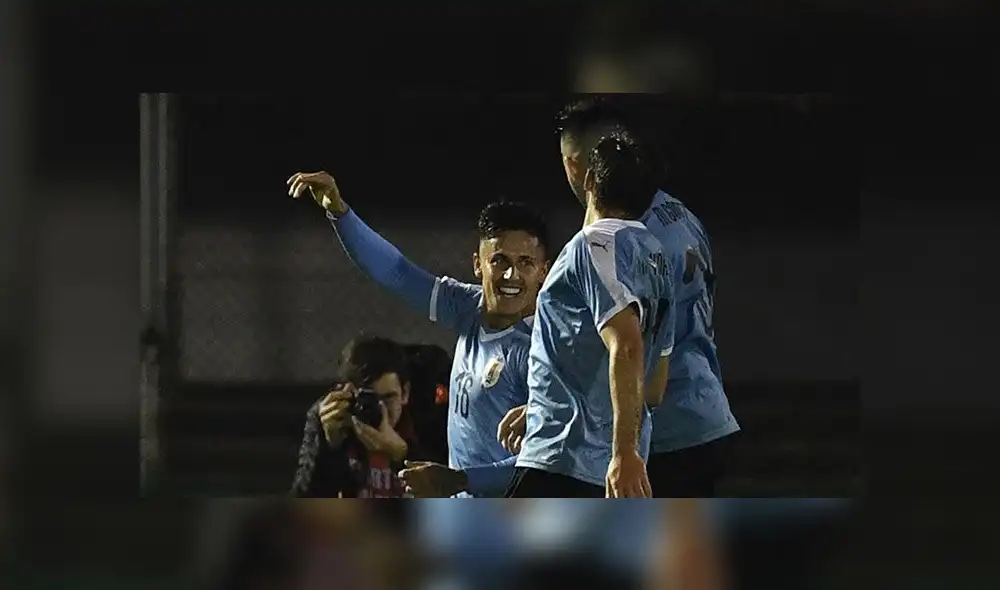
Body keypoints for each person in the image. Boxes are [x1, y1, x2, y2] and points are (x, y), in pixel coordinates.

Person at [500, 96, 739, 497]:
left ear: (583, 169)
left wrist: (622, 448)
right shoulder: (678, 220)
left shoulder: (604, 242)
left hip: (654, 434)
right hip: (699, 410)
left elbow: (627, 344)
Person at [286, 171, 550, 497]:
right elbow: (396, 272)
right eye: (499, 260)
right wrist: (340, 213)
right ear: (478, 264)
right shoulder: (469, 306)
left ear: (543, 271)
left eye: (525, 262)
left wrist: (462, 480)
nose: (511, 274)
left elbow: (546, 467)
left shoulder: (542, 350)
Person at [507, 131, 675, 498]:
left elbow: (627, 346)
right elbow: (654, 386)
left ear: (588, 180)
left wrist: (624, 452)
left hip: (563, 460)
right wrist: (546, 402)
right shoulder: (657, 258)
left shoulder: (592, 246)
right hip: (608, 474)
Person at [291, 334, 421, 498]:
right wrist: (329, 447)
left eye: (388, 398)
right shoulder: (332, 416)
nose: (381, 409)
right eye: (370, 399)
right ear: (346, 393)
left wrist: (403, 455)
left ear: (405, 393)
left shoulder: (421, 417)